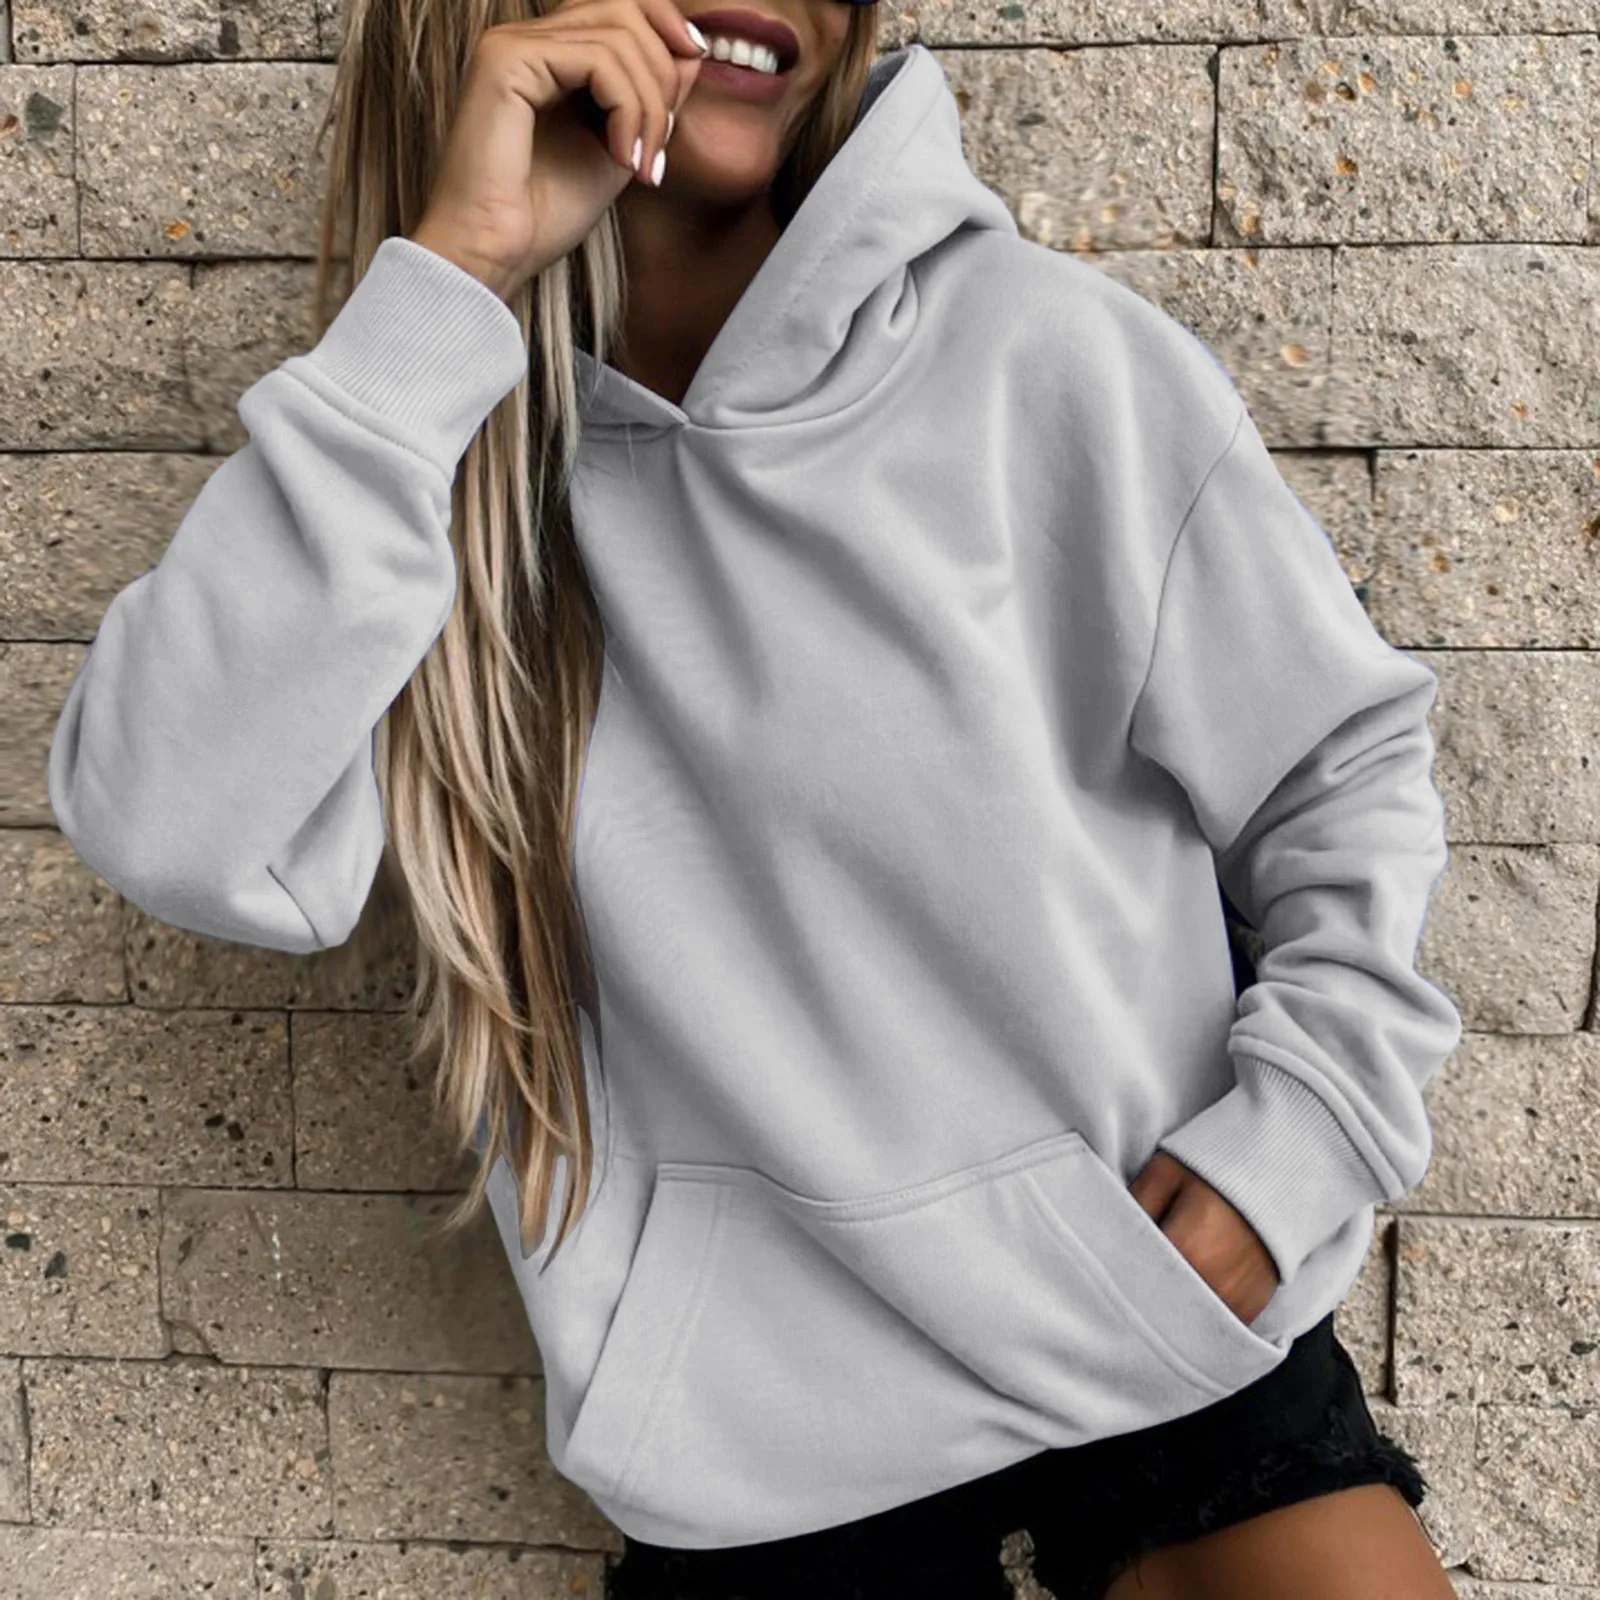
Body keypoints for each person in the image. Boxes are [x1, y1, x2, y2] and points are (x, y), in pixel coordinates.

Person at [45, 0, 1467, 1595]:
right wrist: (452, 281)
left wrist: (1298, 1146)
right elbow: (169, 822)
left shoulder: (1046, 358)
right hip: (764, 1487)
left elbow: (1339, 769)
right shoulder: (422, 475)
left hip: (1171, 1361)